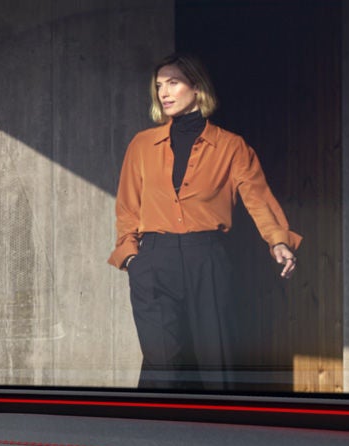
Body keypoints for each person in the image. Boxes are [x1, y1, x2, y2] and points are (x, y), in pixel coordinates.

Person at [111, 53, 302, 391]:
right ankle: (157, 426)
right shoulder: (141, 145)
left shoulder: (231, 146)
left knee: (217, 364)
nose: (164, 92)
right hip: (154, 261)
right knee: (162, 366)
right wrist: (132, 258)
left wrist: (278, 241)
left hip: (207, 260)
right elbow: (128, 207)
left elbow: (257, 198)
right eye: (159, 85)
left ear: (197, 87)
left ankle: (220, 425)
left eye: (173, 83)